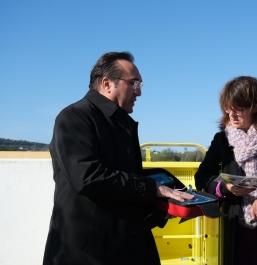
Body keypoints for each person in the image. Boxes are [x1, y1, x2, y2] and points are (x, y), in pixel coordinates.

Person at [43, 52, 193, 265]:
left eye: (140, 84)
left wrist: (165, 205)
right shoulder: (74, 117)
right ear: (107, 84)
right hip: (89, 254)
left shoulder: (122, 122)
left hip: (128, 247)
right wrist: (152, 188)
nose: (138, 92)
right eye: (133, 83)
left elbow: (125, 182)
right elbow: (86, 177)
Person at [194, 76, 257, 265]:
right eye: (228, 108)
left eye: (238, 109)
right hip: (236, 228)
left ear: (256, 107)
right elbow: (202, 177)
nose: (231, 114)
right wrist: (225, 188)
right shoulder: (222, 140)